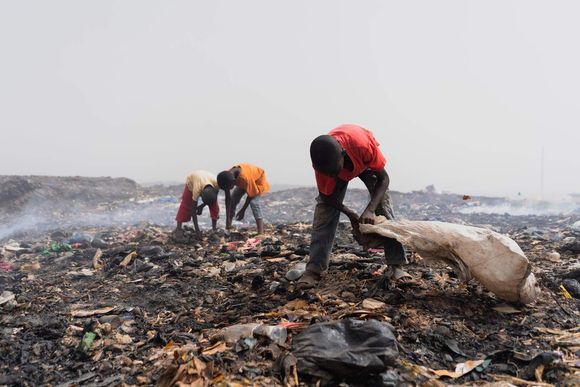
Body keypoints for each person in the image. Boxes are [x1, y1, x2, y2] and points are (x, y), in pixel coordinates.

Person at [297, 124, 408, 289]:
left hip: (363, 162)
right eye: (329, 173)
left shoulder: (362, 146)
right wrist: (352, 215)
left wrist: (370, 210)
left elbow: (384, 179)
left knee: (383, 207)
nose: (333, 175)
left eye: (335, 170)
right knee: (324, 214)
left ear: (342, 154)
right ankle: (314, 270)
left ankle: (396, 266)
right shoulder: (323, 164)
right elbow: (327, 197)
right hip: (338, 163)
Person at [217, 163, 269, 234]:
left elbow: (251, 195)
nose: (228, 190)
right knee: (233, 200)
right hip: (244, 182)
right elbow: (228, 199)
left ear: (234, 182)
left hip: (257, 182)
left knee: (254, 203)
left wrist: (242, 211)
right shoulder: (226, 176)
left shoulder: (245, 179)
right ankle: (229, 226)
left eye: (229, 188)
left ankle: (260, 232)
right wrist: (227, 220)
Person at [174, 170, 220, 239]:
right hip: (192, 180)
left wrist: (201, 206)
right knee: (186, 204)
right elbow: (193, 210)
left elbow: (212, 200)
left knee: (214, 206)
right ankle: (178, 228)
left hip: (205, 179)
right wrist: (197, 230)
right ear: (201, 194)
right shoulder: (196, 190)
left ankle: (214, 229)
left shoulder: (216, 184)